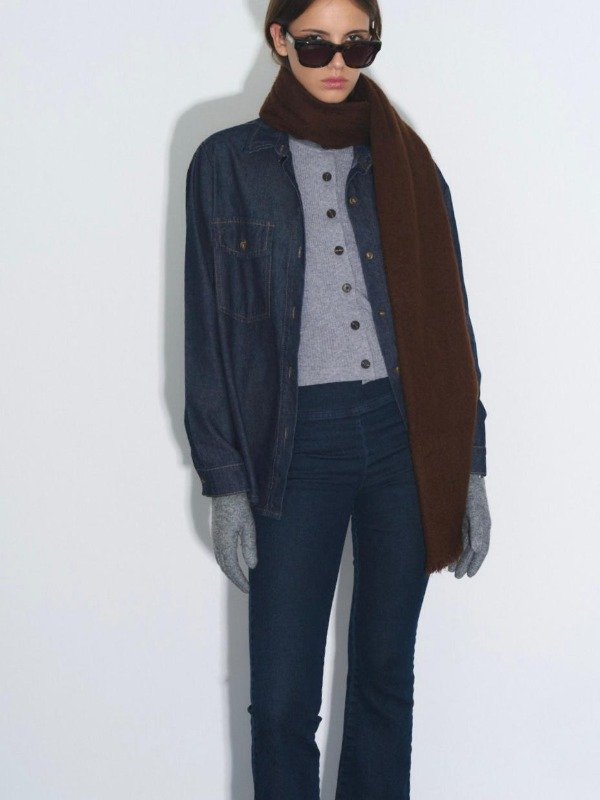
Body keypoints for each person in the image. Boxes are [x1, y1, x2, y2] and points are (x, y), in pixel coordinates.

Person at [183, 0, 491, 796]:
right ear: (280, 39)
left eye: (358, 45)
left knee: (385, 676)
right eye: (317, 44)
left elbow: (450, 325)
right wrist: (225, 483)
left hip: (403, 439)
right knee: (283, 703)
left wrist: (469, 468)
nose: (337, 63)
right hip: (292, 446)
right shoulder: (226, 162)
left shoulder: (407, 161)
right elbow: (208, 335)